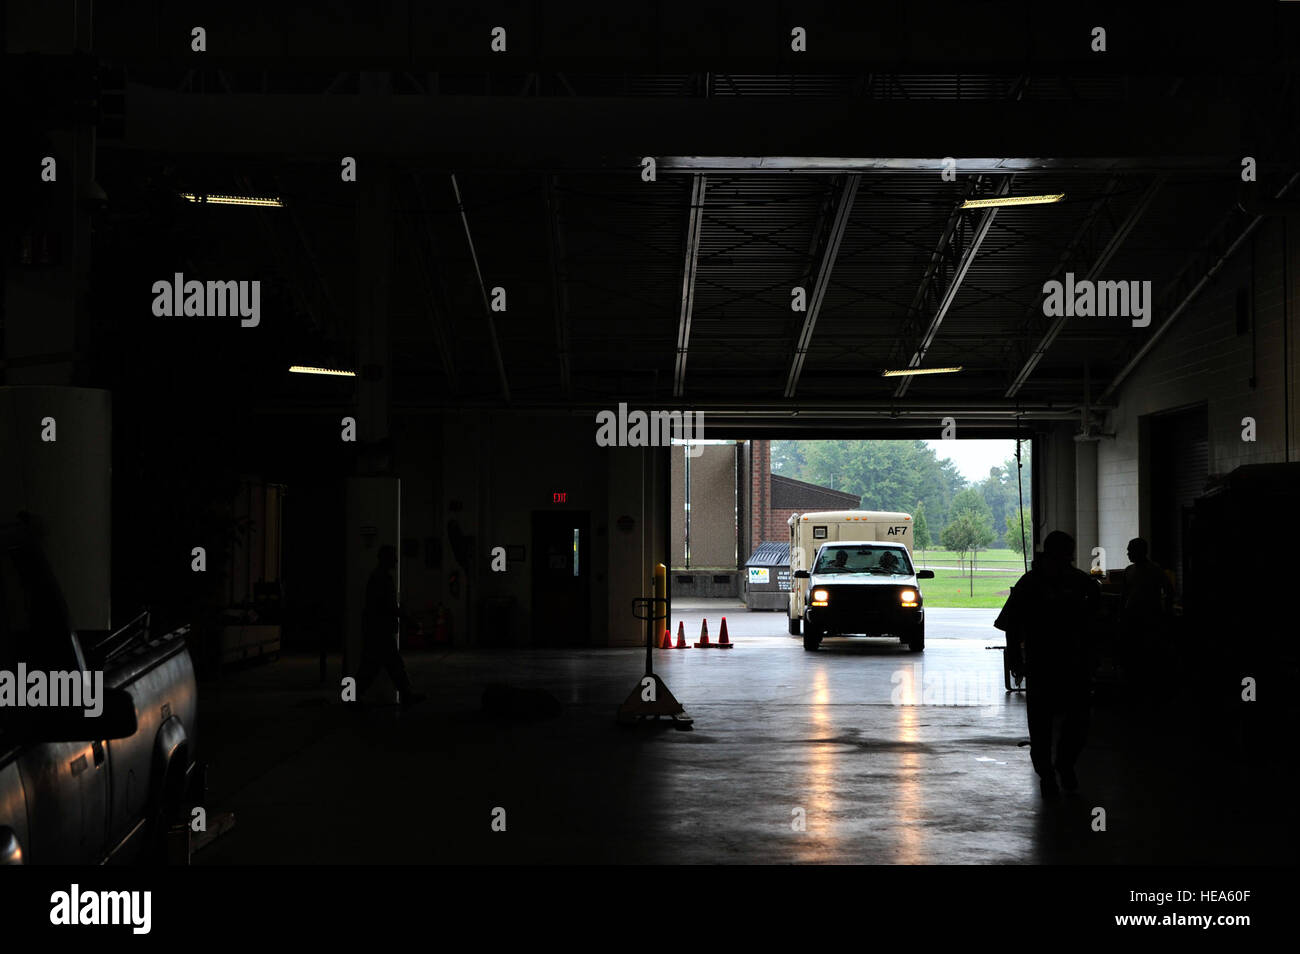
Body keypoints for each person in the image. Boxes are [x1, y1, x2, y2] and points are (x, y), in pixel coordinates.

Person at [994, 530, 1100, 798]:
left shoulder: (1077, 583)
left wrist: (1016, 660)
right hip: (1052, 664)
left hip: (1063, 664)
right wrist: (1016, 659)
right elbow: (1013, 625)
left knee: (1063, 723)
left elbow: (1096, 625)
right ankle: (1051, 771)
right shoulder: (1042, 583)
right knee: (1053, 724)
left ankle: (1058, 767)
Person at [356, 545, 425, 706]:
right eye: (393, 557)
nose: (396, 560)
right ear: (386, 559)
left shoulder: (378, 577)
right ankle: (353, 697)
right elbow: (389, 607)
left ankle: (354, 696)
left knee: (383, 665)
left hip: (377, 630)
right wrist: (409, 620)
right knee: (378, 666)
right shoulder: (382, 579)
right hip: (379, 631)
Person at [1120, 537, 1170, 677]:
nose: (1128, 553)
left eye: (1130, 550)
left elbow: (1124, 596)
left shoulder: (1131, 571)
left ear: (1139, 551)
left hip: (1142, 617)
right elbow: (1168, 591)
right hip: (1145, 616)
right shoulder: (1154, 569)